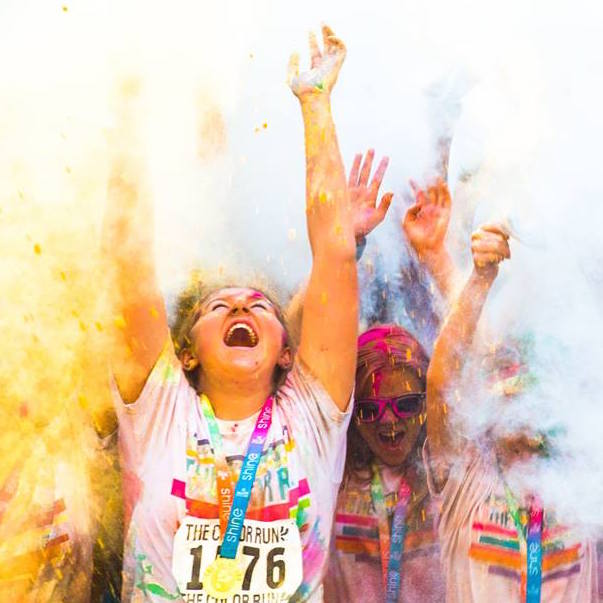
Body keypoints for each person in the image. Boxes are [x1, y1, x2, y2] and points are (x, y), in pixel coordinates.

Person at [104, 25, 358, 602]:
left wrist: (316, 103)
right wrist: (126, 113)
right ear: (185, 350)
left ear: (288, 350)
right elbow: (127, 261)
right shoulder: (159, 407)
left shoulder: (312, 415)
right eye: (219, 306)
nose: (240, 304)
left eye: (260, 307)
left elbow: (336, 255)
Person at [425, 224, 600, 602]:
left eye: (535, 377)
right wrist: (480, 278)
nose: (519, 387)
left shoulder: (586, 470)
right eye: (506, 374)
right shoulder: (466, 473)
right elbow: (441, 385)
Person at [323, 161, 456, 603]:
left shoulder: (447, 470)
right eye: (370, 409)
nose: (389, 422)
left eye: (405, 404)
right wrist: (346, 243)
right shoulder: (334, 473)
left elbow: (464, 369)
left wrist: (437, 259)